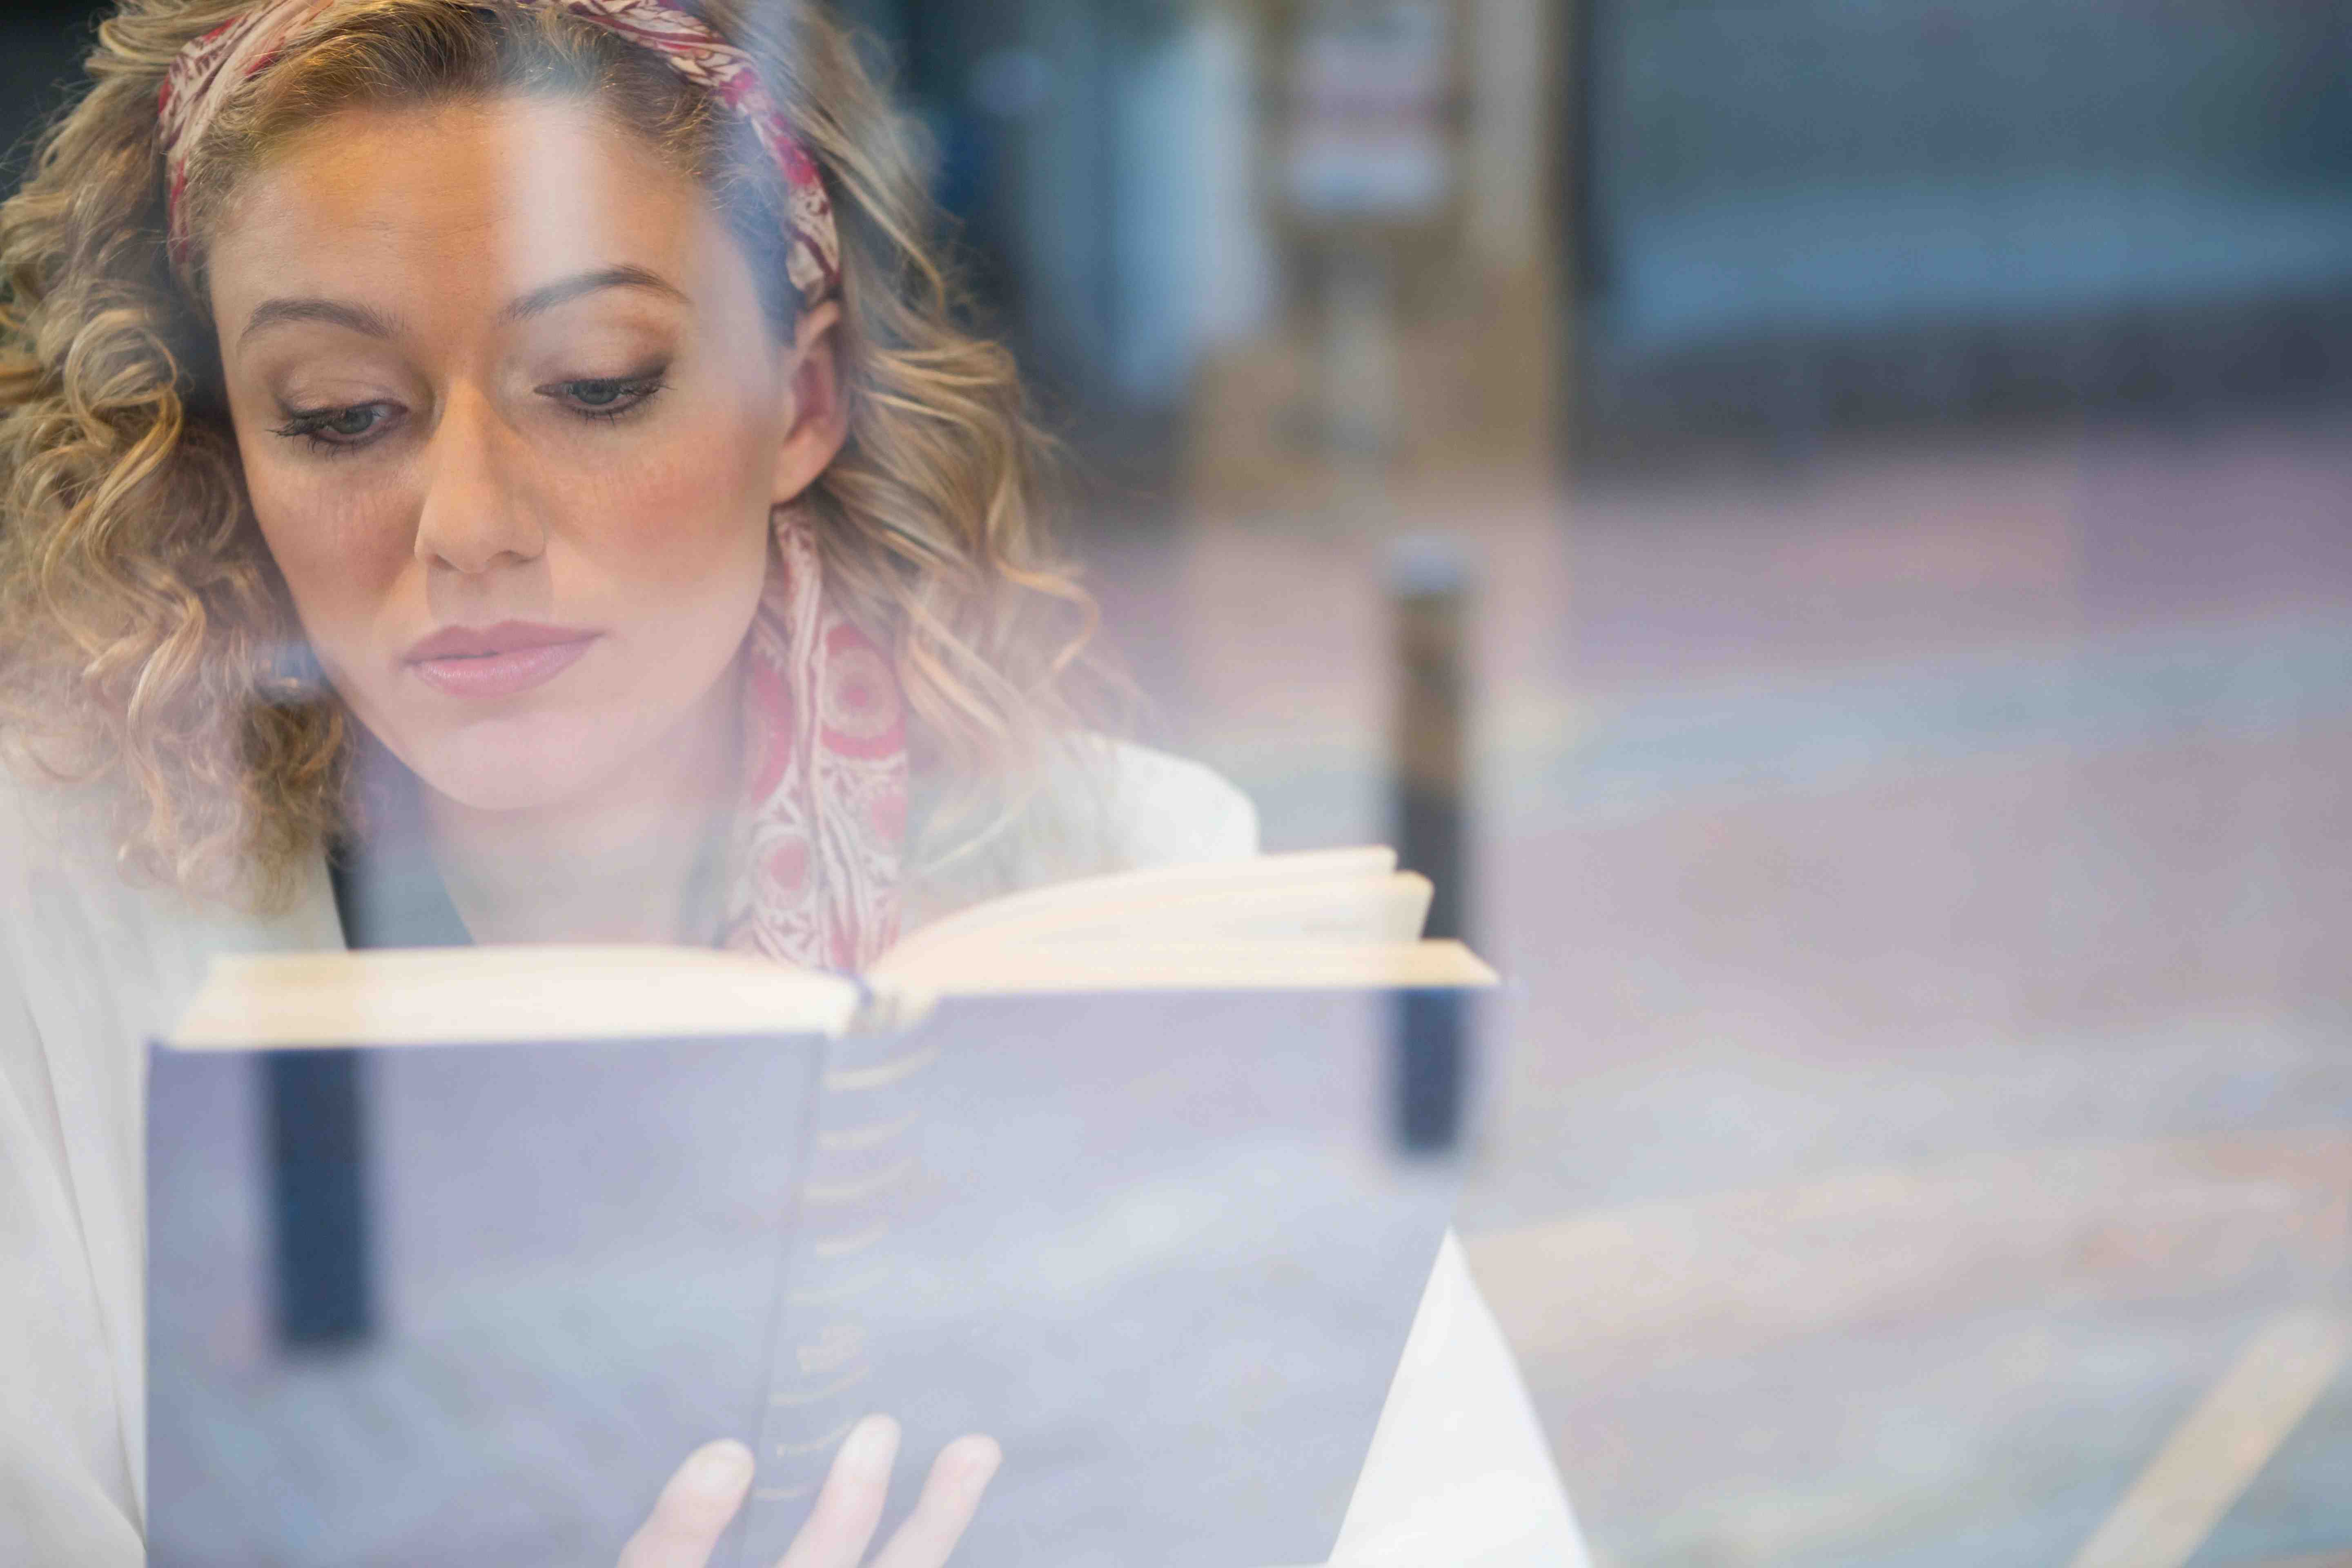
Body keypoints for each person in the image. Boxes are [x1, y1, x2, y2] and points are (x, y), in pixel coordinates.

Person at [0, 1, 1590, 1563]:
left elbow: (1458, 1522)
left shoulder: (1123, 878)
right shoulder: (49, 936)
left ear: (805, 403)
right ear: (228, 454)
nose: (466, 521)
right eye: (339, 416)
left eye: (601, 380)